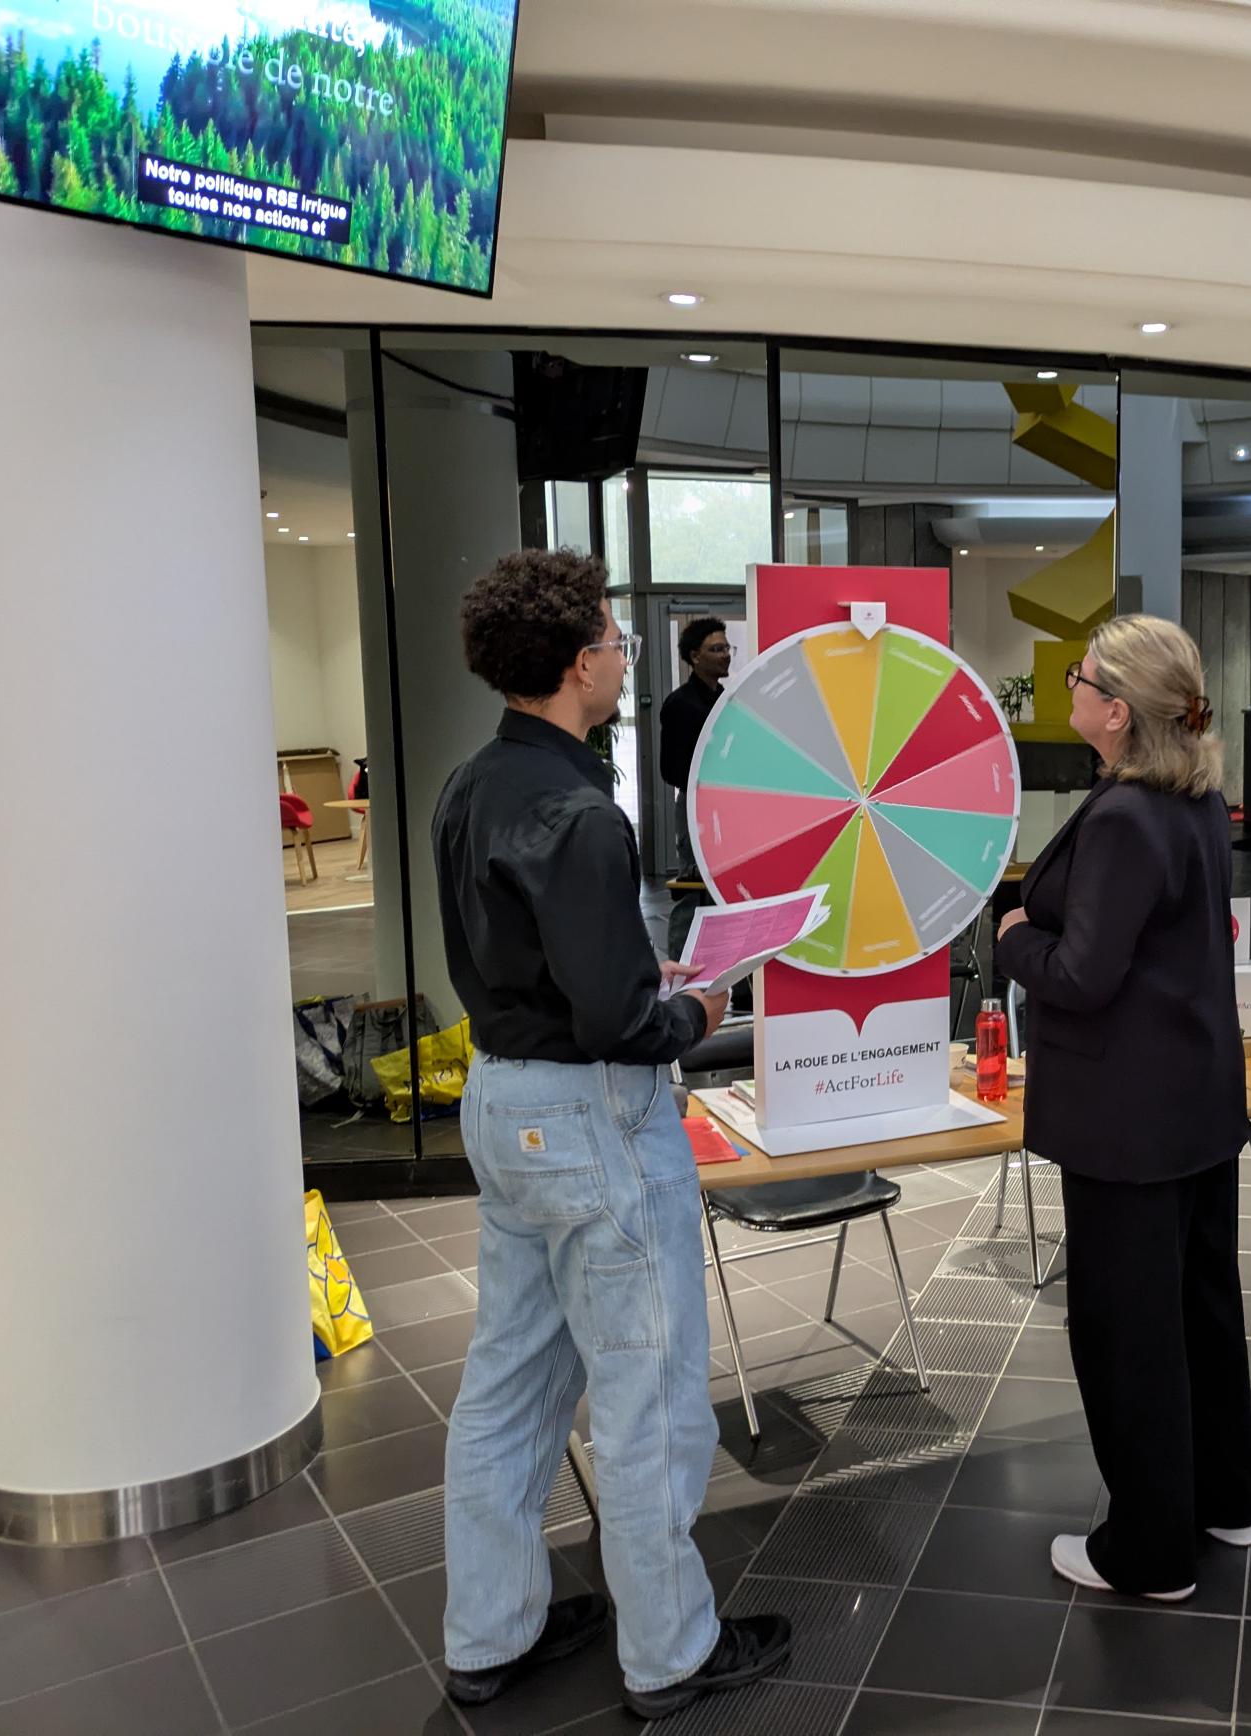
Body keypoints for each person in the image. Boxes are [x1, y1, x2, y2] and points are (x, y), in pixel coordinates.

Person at [432, 551, 788, 1720]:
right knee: (644, 1389)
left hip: (500, 1100)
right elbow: (621, 1024)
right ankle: (671, 1650)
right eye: (615, 641)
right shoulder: (584, 810)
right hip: (592, 1115)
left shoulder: (471, 784)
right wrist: (694, 1004)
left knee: (510, 1380)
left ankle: (491, 1630)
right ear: (582, 660)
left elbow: (538, 964)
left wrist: (640, 974)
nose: (623, 656)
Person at [995, 614, 1251, 1602]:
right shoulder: (1190, 798)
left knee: (1125, 1328)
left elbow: (1080, 973)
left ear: (1115, 710)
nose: (1068, 682)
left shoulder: (1119, 817)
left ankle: (1147, 1549)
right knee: (1198, 1306)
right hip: (1193, 1100)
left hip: (1123, 1119)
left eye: (1082, 675)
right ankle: (1226, 1498)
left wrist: (1016, 932)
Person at [658, 616, 733, 960]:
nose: (725, 655)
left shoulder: (728, 700)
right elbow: (671, 770)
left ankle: (733, 976)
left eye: (726, 648)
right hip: (695, 808)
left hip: (728, 806)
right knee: (693, 891)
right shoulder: (680, 705)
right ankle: (680, 971)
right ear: (694, 657)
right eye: (715, 649)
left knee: (727, 891)